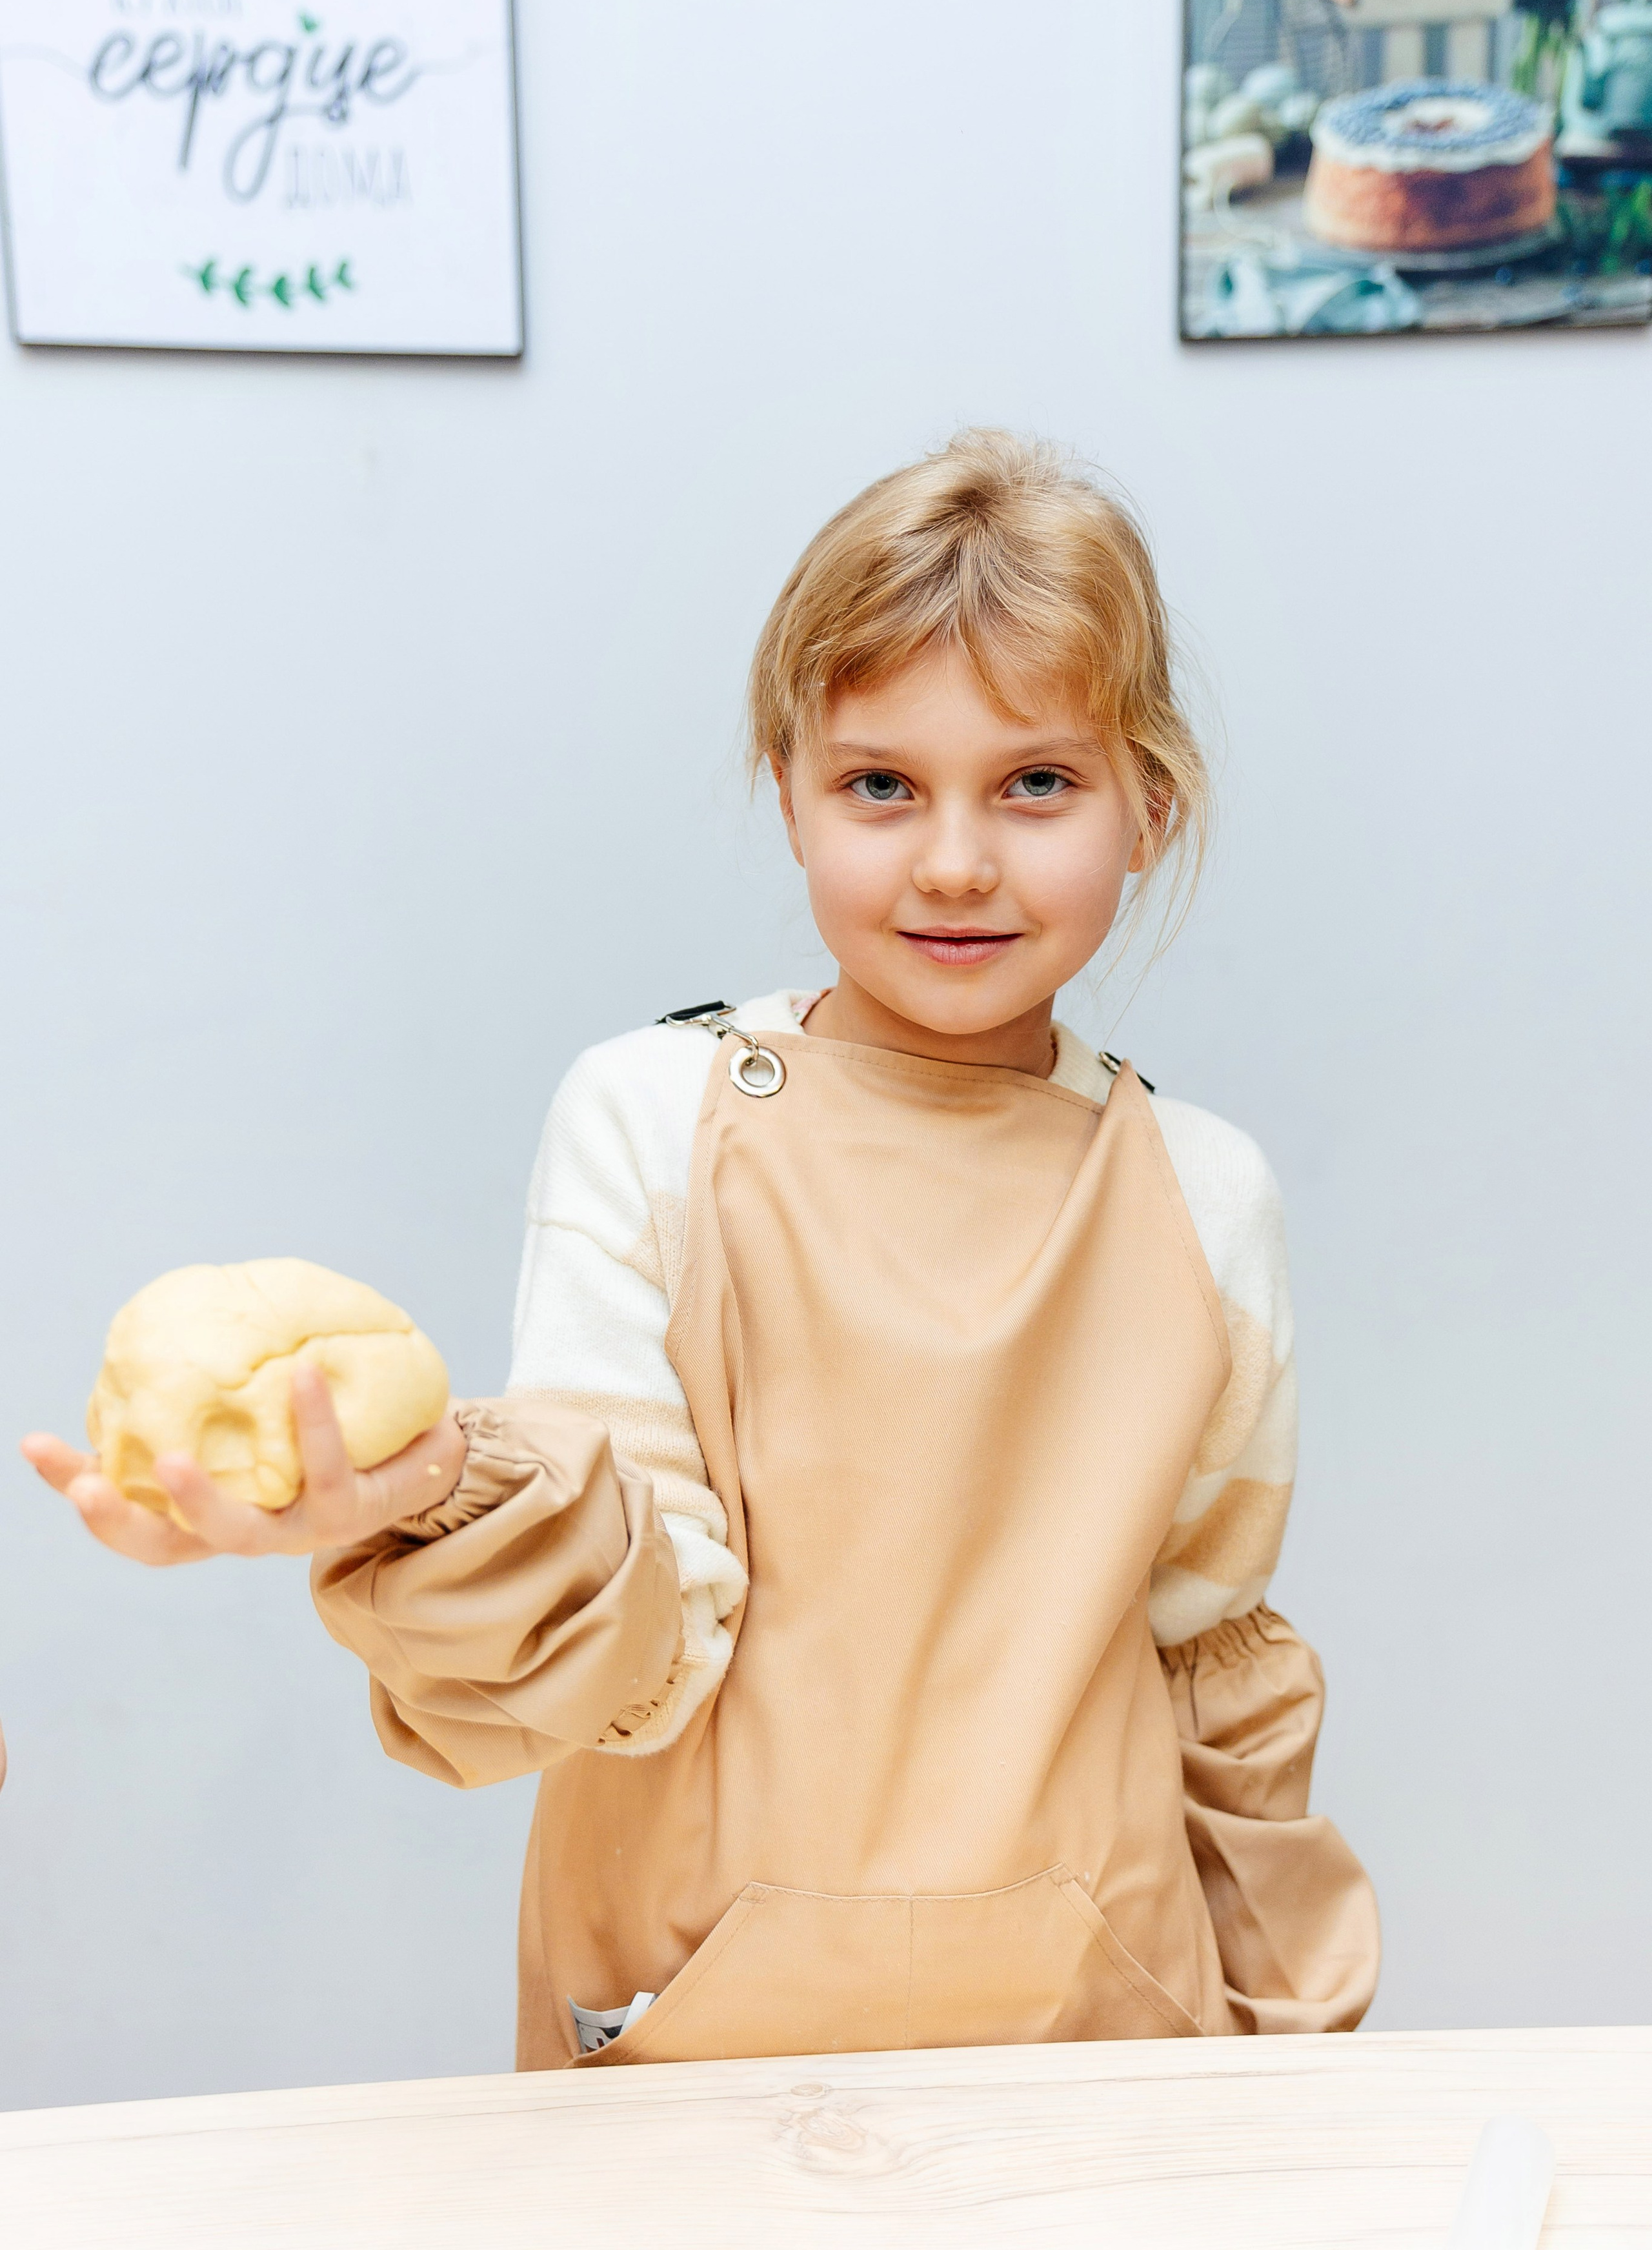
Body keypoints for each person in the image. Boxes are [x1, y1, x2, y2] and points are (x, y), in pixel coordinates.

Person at [26, 431, 1379, 2069]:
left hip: (1099, 2042)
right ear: (790, 788)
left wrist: (1302, 2059)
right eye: (880, 784)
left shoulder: (1202, 1194)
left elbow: (1207, 1669)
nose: (953, 858)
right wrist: (431, 1500)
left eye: (1035, 782)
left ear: (1146, 805)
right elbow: (641, 1644)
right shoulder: (651, 1114)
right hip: (695, 2036)